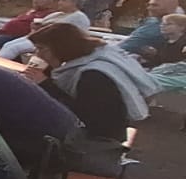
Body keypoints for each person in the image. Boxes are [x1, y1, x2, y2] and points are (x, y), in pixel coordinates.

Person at [26, 22, 159, 153]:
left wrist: (46, 84)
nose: (37, 54)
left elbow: (85, 117)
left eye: (41, 48)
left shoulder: (93, 76)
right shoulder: (84, 59)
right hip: (95, 130)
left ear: (60, 48)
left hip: (98, 140)